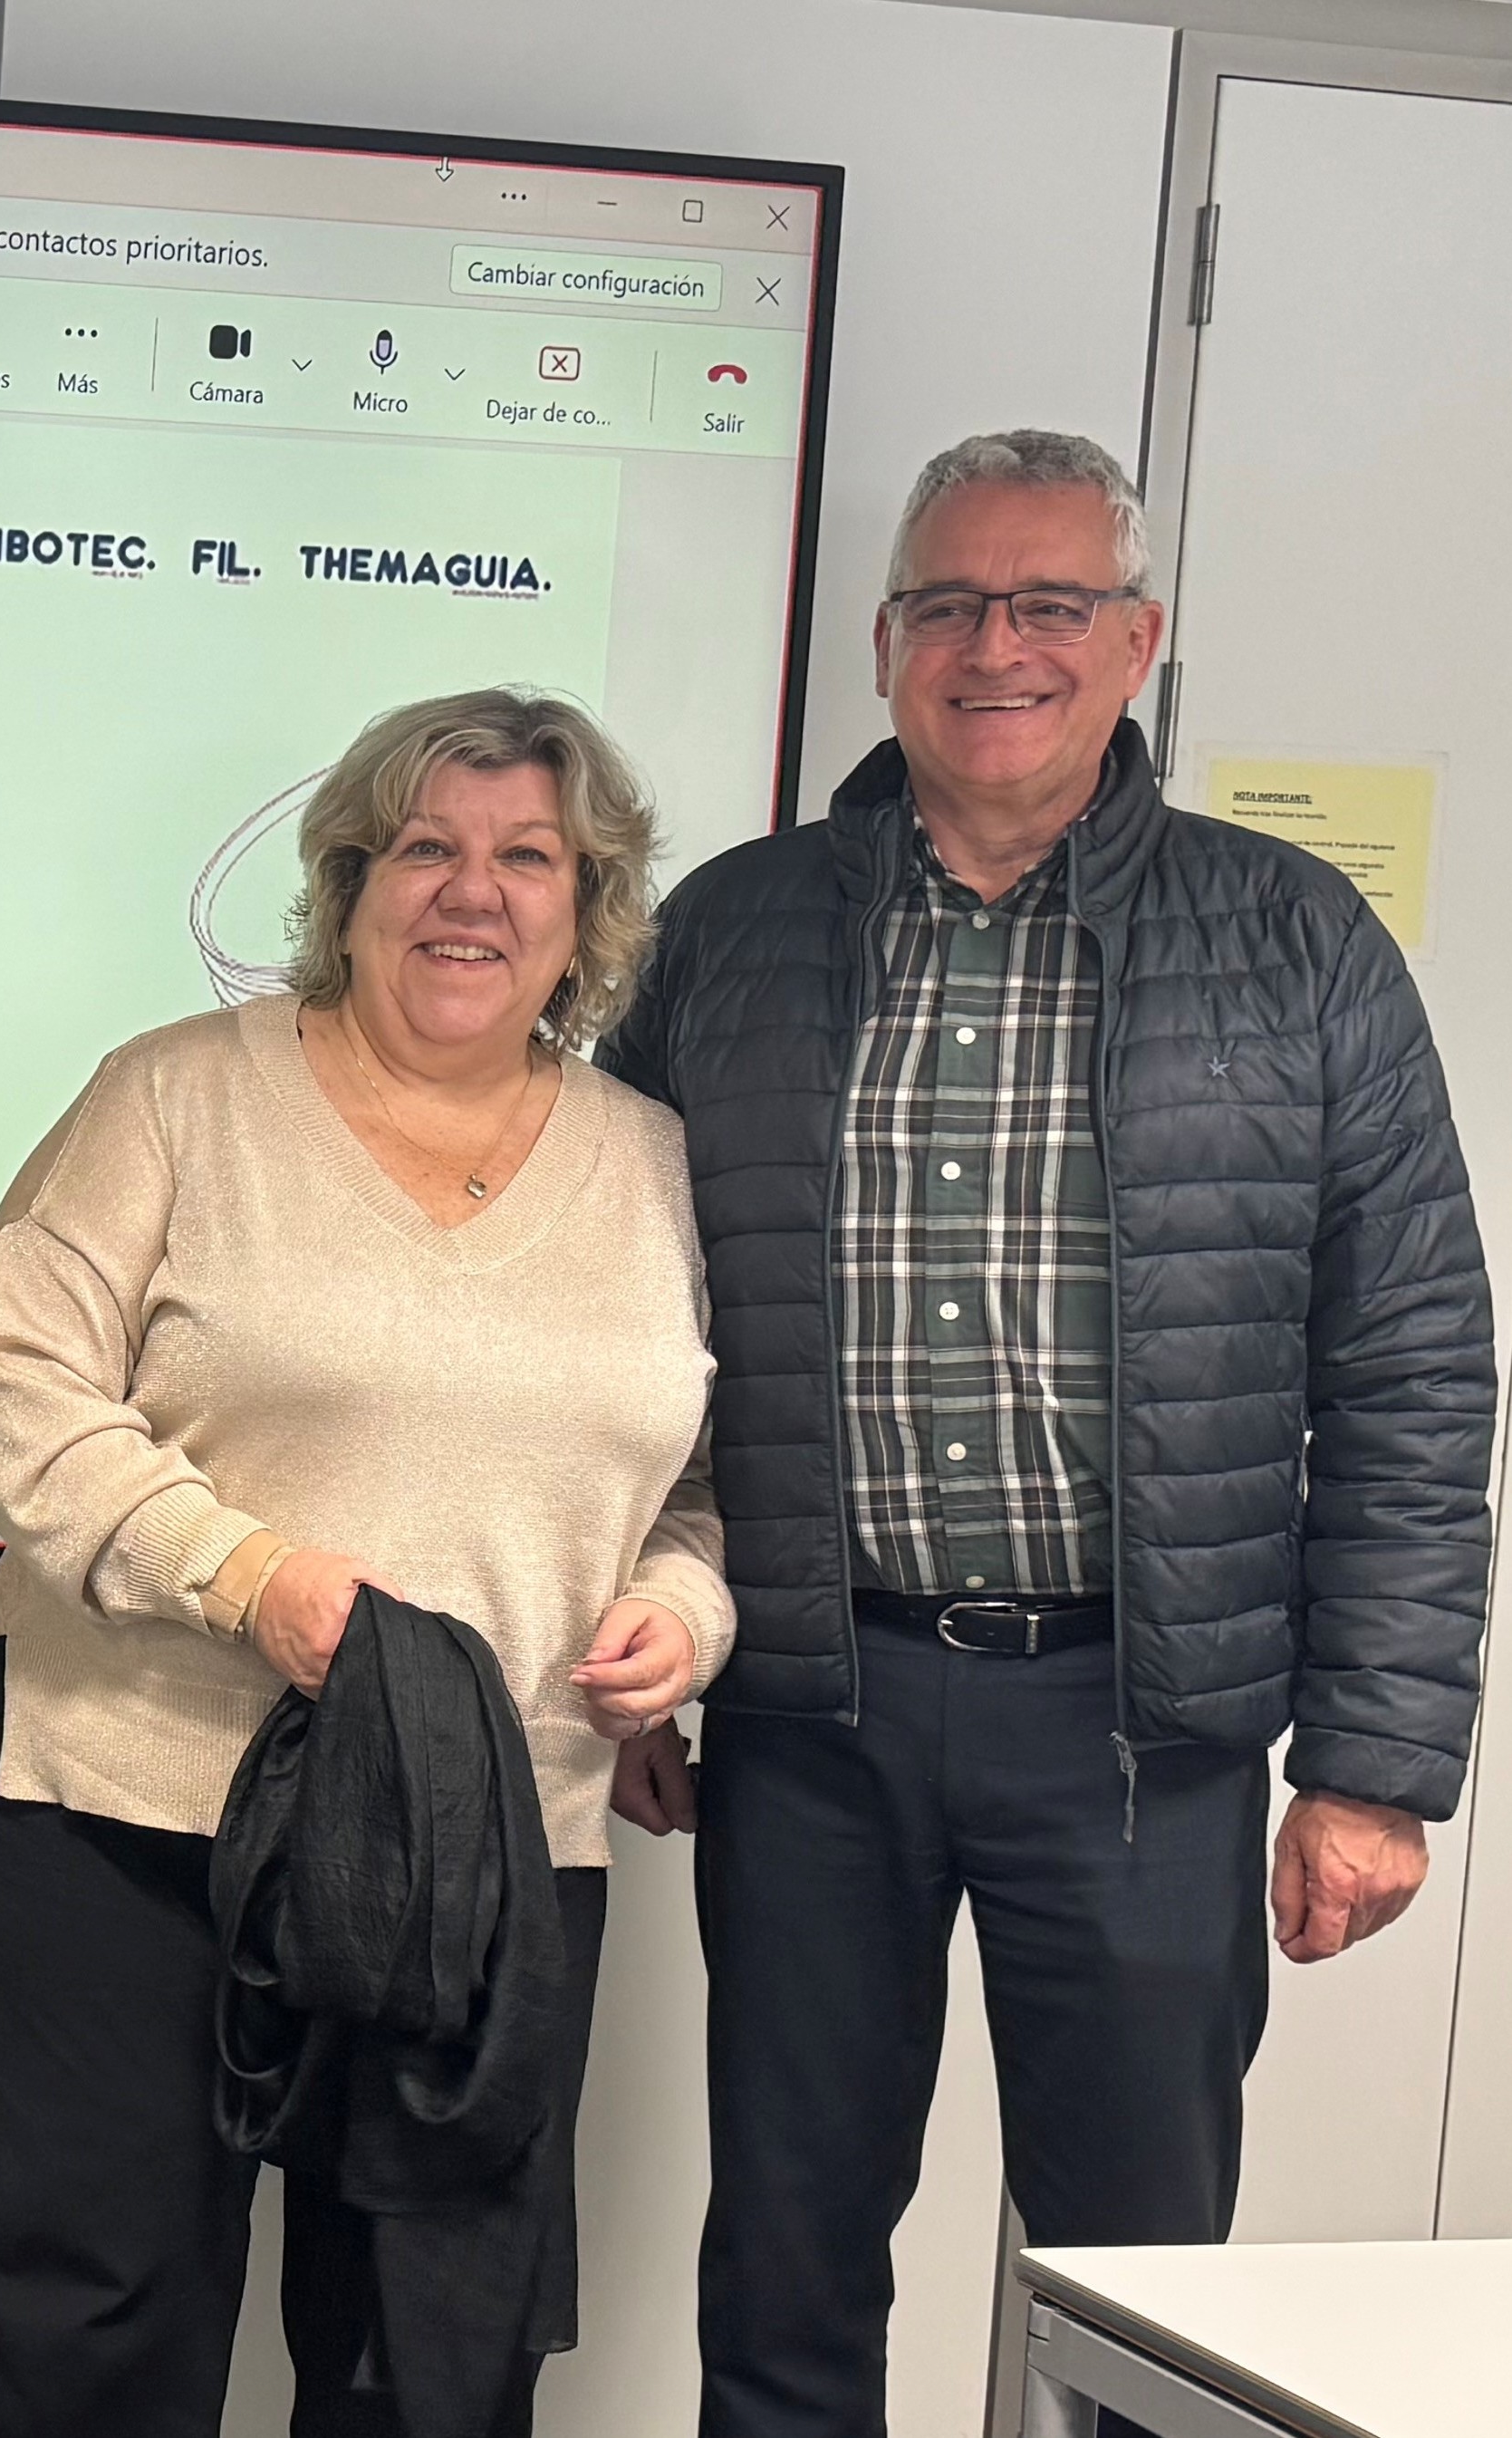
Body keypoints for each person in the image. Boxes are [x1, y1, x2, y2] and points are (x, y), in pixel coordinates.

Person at [595, 430, 1491, 2438]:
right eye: (946, 605)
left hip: (1139, 1730)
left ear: (1134, 641)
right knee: (783, 2263)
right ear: (885, 644)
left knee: (1144, 2288)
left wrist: (1370, 1762)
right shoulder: (729, 934)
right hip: (809, 1710)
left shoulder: (1293, 941)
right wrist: (626, 1634)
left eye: (1047, 604)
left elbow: (1414, 1367)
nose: (993, 647)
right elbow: (614, 1320)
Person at [0, 688, 732, 2436]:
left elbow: (701, 1487)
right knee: (91, 2335)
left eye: (528, 857)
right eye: (426, 848)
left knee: (424, 2365)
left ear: (588, 909)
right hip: (131, 1809)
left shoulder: (657, 1166)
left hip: (486, 1849)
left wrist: (683, 1613)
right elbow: (12, 1380)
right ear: (351, 886)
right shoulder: (172, 1099)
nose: (473, 891)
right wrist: (246, 1579)